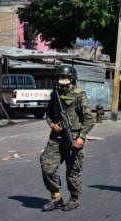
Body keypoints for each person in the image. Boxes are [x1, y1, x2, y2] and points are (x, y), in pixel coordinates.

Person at [40, 65, 94, 211]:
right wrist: (52, 125)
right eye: (60, 77)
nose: (62, 80)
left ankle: (74, 198)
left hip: (73, 137)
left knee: (72, 172)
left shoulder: (79, 94)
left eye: (65, 77)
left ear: (72, 78)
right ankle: (56, 196)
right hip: (56, 137)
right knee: (47, 166)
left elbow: (89, 119)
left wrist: (81, 137)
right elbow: (48, 114)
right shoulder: (55, 94)